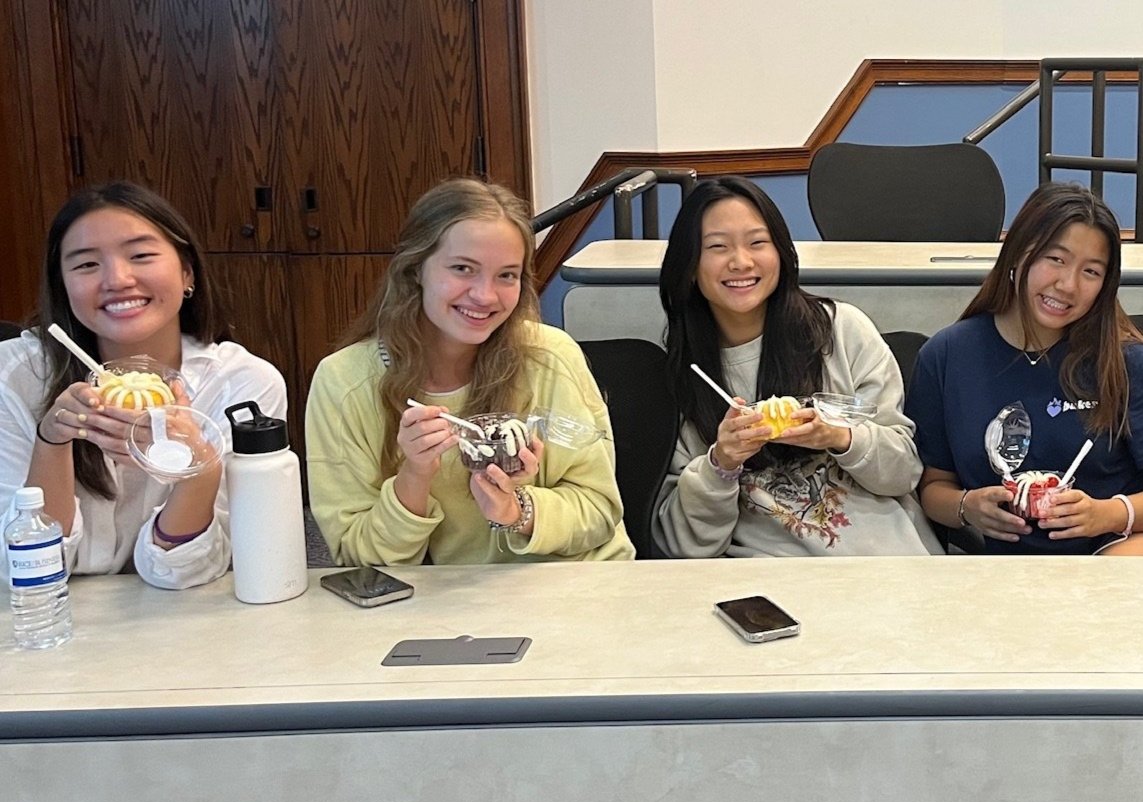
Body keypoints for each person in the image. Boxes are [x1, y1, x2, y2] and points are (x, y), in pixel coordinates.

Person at [305, 177, 634, 565]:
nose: (484, 295)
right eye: (463, 268)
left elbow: (599, 511)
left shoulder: (551, 356)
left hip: (578, 581)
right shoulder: (343, 382)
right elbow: (358, 558)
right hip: (456, 594)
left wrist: (517, 510)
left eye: (507, 275)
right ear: (415, 269)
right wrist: (415, 475)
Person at [0, 181, 287, 588]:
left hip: (179, 612)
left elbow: (185, 572)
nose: (117, 279)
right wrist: (52, 440)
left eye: (141, 256)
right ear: (61, 284)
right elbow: (21, 568)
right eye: (86, 264)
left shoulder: (240, 384)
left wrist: (199, 467)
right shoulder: (14, 375)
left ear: (187, 271)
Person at [653, 176, 939, 557]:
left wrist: (841, 437)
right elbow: (682, 546)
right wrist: (721, 463)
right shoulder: (682, 377)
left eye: (757, 243)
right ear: (689, 265)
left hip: (891, 563)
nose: (741, 262)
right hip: (772, 577)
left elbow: (904, 472)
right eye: (718, 247)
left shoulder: (841, 330)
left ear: (782, 252)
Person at [906, 182, 1143, 555]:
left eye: (1091, 271)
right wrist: (967, 507)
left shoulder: (1126, 359)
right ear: (1018, 253)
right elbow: (933, 487)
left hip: (1112, 551)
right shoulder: (946, 355)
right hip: (999, 567)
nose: (1068, 285)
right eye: (1055, 259)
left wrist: (1107, 514)